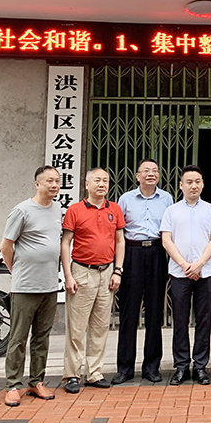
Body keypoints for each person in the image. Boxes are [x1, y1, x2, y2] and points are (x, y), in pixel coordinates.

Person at [1, 165, 63, 407]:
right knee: (18, 337)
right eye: (49, 181)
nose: (54, 185)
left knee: (42, 337)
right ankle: (12, 385)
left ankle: (36, 381)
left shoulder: (57, 208)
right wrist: (15, 270)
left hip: (49, 284)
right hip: (25, 286)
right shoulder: (22, 210)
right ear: (37, 184)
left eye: (57, 180)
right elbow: (6, 246)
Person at [60, 168, 126, 393]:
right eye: (97, 180)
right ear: (86, 185)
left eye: (105, 180)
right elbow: (65, 243)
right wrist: (68, 275)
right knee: (76, 328)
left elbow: (120, 241)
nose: (102, 184)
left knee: (100, 326)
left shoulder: (114, 209)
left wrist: (118, 270)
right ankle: (71, 374)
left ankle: (94, 373)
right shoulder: (75, 210)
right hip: (81, 272)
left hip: (107, 272)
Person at [161, 164, 211, 386]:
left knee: (204, 321)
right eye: (189, 182)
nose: (193, 185)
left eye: (197, 181)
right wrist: (186, 265)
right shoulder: (171, 211)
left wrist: (199, 264)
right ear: (181, 185)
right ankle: (180, 366)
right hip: (179, 273)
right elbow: (166, 240)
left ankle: (200, 366)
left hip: (206, 273)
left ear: (202, 184)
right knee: (180, 320)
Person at [113, 159, 173, 384]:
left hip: (157, 252)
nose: (151, 174)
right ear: (137, 176)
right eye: (146, 171)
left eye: (155, 171)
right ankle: (125, 367)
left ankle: (152, 367)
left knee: (155, 311)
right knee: (129, 311)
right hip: (132, 253)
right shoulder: (125, 199)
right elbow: (119, 232)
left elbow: (170, 230)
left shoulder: (167, 198)